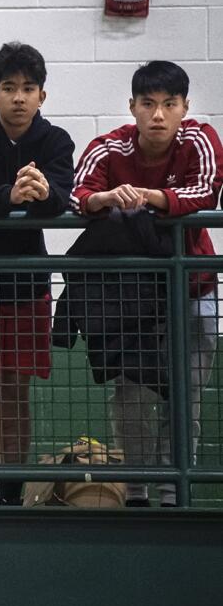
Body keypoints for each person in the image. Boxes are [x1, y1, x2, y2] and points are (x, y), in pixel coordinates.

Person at [71, 60, 223, 507]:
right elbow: (79, 192)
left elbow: (208, 192)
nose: (158, 115)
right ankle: (136, 488)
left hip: (195, 290)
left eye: (169, 105)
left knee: (186, 394)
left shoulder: (200, 139)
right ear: (132, 107)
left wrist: (151, 198)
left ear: (184, 108)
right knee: (131, 394)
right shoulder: (109, 147)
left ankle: (174, 489)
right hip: (131, 301)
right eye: (149, 104)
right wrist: (104, 198)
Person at [0, 43, 74, 506]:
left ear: (42, 95)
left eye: (28, 88)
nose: (18, 97)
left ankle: (13, 486)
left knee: (16, 385)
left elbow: (64, 195)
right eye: (9, 88)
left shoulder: (56, 141)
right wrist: (13, 194)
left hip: (29, 282)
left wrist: (41, 192)